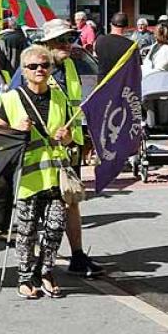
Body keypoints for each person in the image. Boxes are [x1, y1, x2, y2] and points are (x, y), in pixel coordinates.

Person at [0, 45, 80, 299]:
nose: (40, 70)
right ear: (24, 70)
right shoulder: (10, 99)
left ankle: (46, 271)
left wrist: (66, 138)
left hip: (55, 176)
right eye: (33, 66)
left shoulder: (59, 97)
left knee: (55, 227)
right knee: (27, 229)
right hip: (28, 177)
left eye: (45, 65)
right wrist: (16, 131)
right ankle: (24, 276)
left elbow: (72, 136)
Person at [37, 18, 103, 279]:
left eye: (69, 38)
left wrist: (85, 138)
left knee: (71, 200)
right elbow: (14, 103)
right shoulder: (35, 66)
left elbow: (79, 108)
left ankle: (76, 256)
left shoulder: (72, 67)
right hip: (40, 150)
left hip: (69, 148)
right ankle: (40, 264)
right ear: (47, 43)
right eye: (61, 40)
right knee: (40, 206)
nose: (67, 44)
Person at [94, 12, 135, 79]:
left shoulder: (100, 40)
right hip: (122, 84)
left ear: (111, 24)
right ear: (126, 27)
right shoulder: (131, 45)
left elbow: (97, 55)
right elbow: (135, 70)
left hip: (103, 83)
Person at [0, 17, 29, 87]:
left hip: (9, 77)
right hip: (25, 76)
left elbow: (0, 62)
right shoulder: (24, 39)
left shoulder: (2, 40)